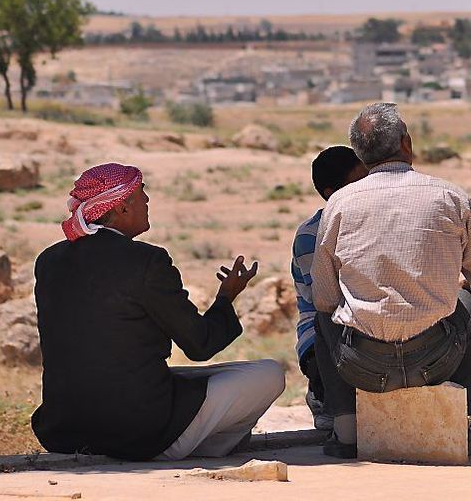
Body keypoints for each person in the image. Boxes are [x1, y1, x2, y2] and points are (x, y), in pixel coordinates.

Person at [32, 163, 285, 461]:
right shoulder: (146, 261)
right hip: (136, 431)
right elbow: (201, 345)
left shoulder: (49, 260)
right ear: (124, 207)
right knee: (269, 374)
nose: (148, 201)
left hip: (64, 430)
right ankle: (196, 447)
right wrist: (226, 298)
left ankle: (194, 442)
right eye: (142, 193)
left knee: (186, 378)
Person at [311, 102, 471, 458]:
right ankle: (458, 425)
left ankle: (345, 431)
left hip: (363, 364)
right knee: (467, 303)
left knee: (322, 317)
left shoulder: (337, 205)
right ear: (407, 144)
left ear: (361, 153)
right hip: (436, 360)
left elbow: (324, 298)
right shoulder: (449, 197)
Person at [291, 146, 367, 431]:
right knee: (328, 320)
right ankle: (327, 399)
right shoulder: (312, 235)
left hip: (362, 321)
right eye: (357, 183)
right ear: (329, 193)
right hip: (326, 334)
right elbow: (327, 297)